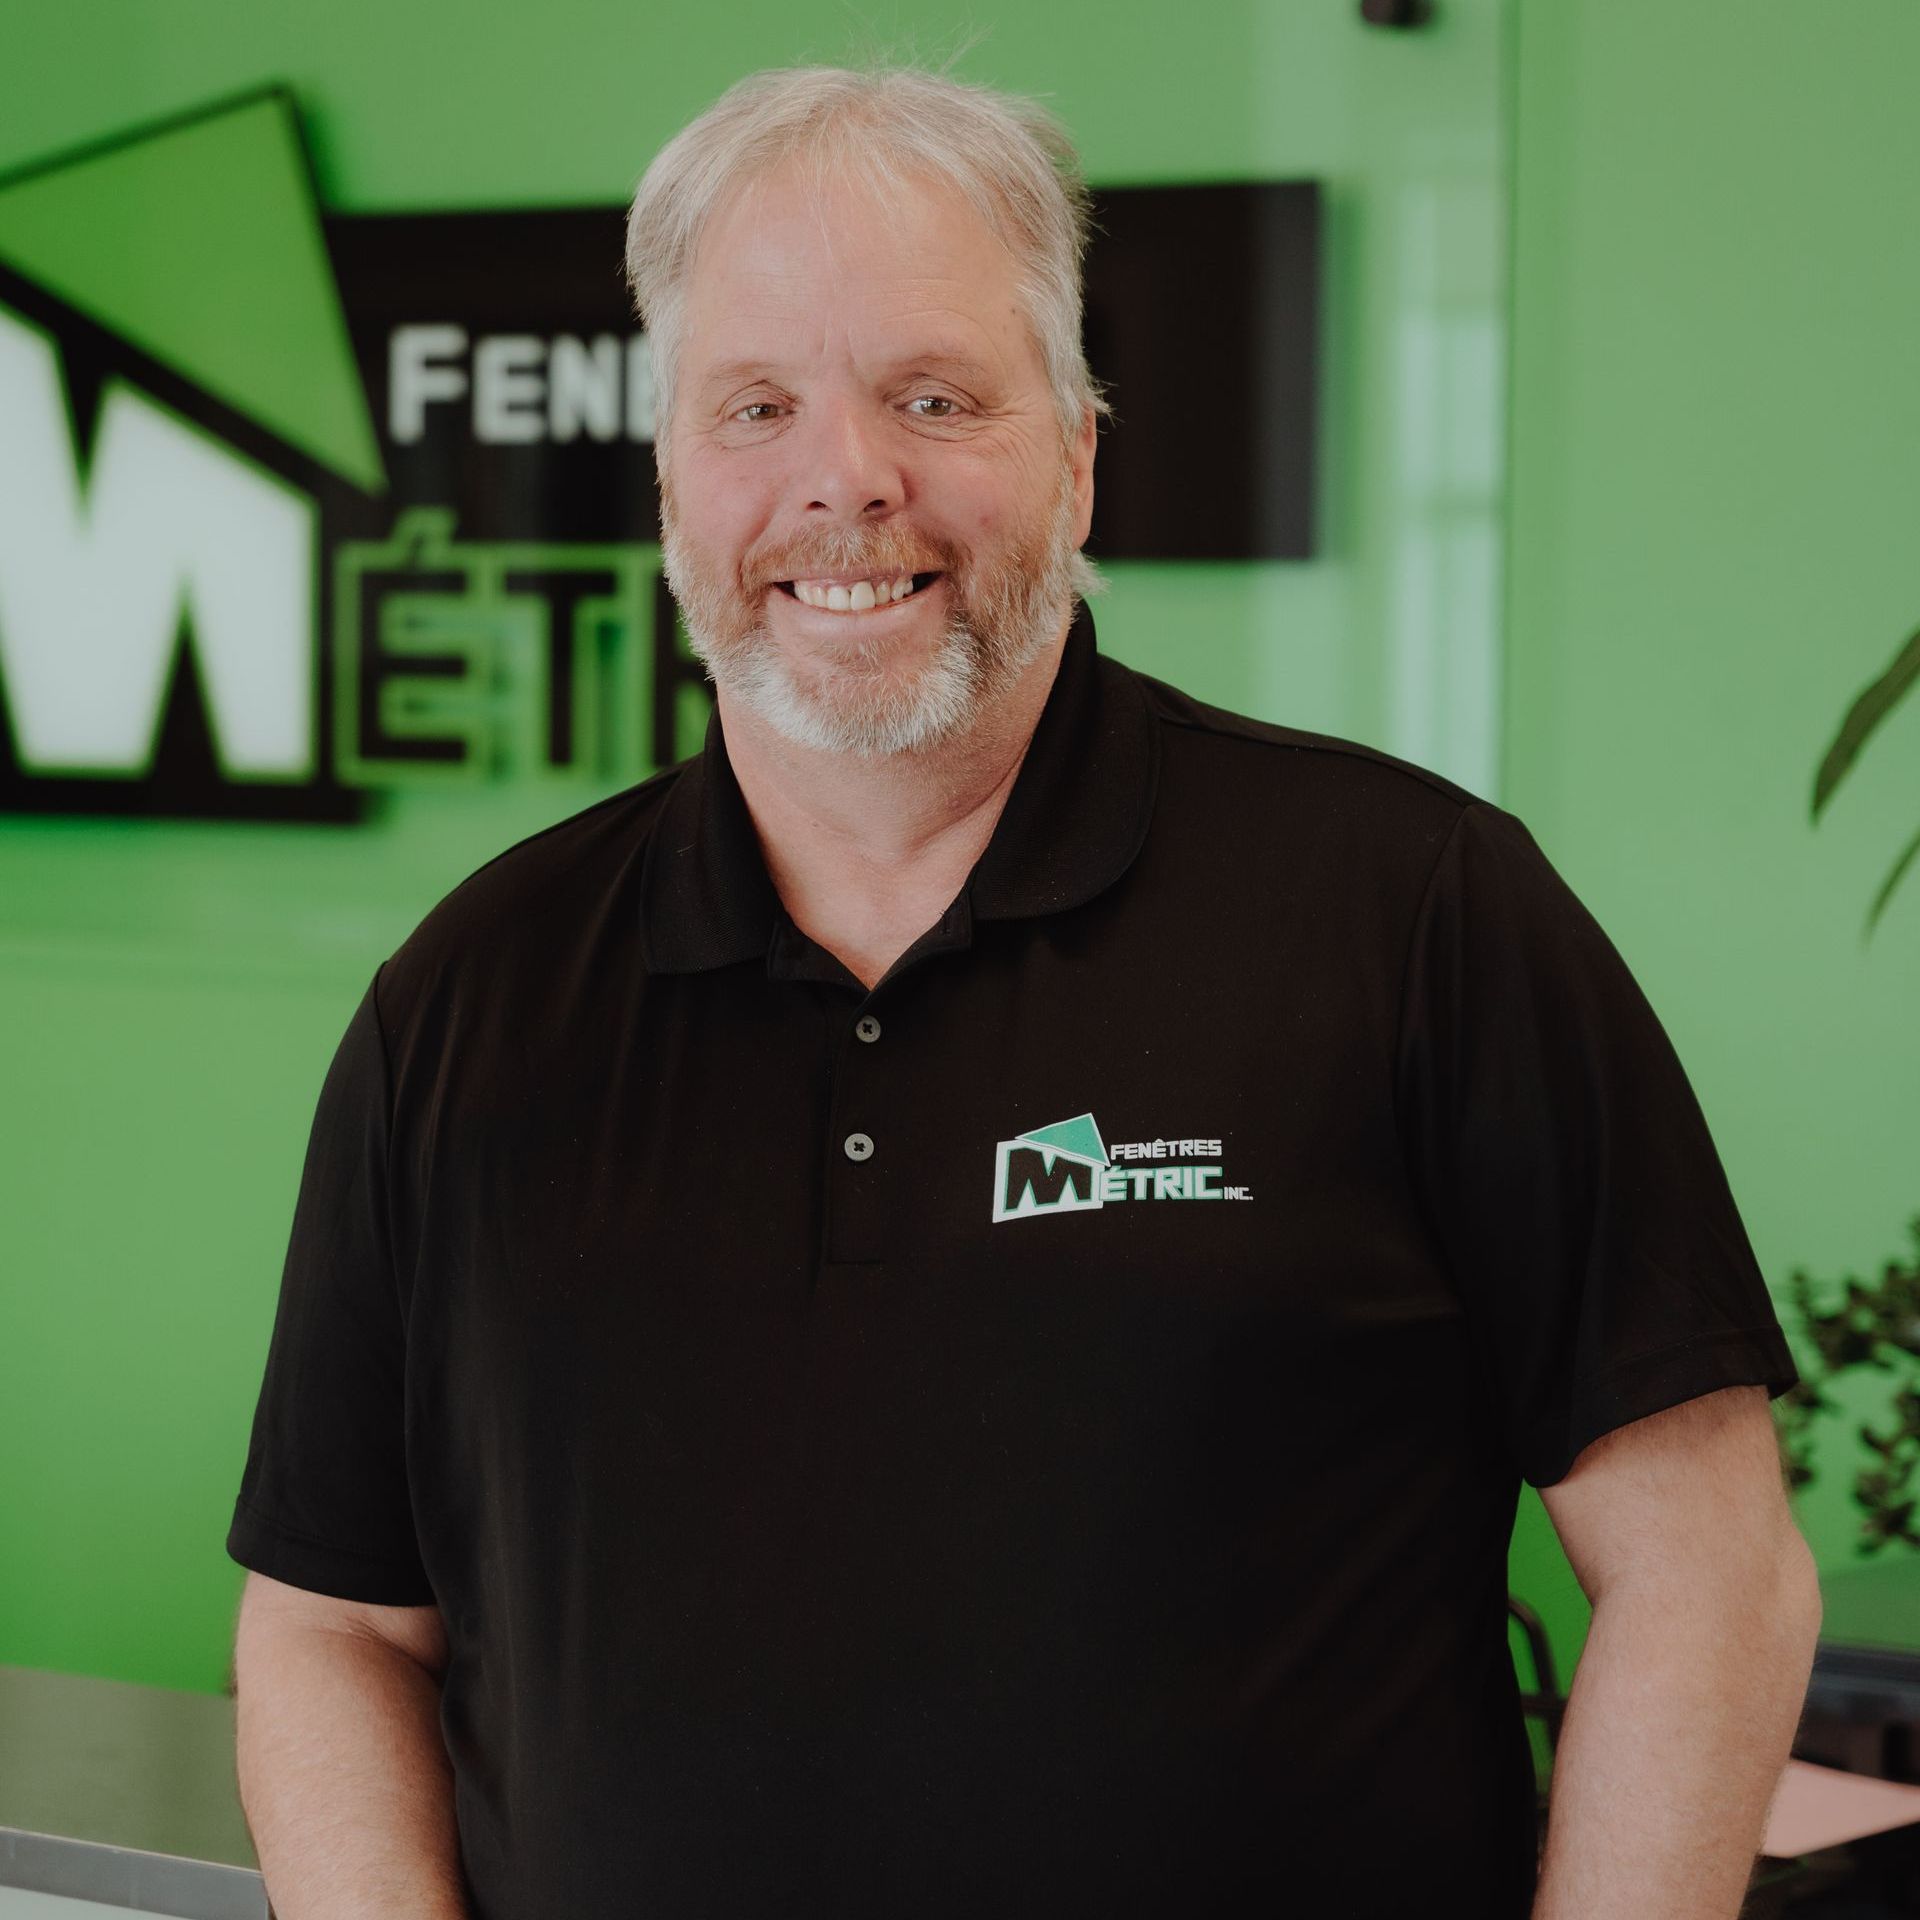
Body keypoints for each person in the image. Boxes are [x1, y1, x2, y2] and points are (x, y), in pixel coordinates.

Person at [226, 62, 1821, 1920]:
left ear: (1074, 454)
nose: (846, 478)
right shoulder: (470, 1004)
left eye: (932, 396)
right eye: (758, 405)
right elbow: (335, 1626)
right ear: (670, 478)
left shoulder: (1417, 915)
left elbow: (1711, 1570)